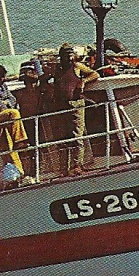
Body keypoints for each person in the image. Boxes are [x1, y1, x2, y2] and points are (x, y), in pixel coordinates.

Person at [50, 43, 99, 176]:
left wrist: (83, 82)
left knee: (77, 136)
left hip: (75, 104)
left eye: (71, 56)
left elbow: (94, 74)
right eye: (66, 56)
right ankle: (64, 167)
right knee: (63, 138)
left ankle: (77, 165)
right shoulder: (57, 69)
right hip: (60, 106)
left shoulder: (77, 66)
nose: (69, 59)